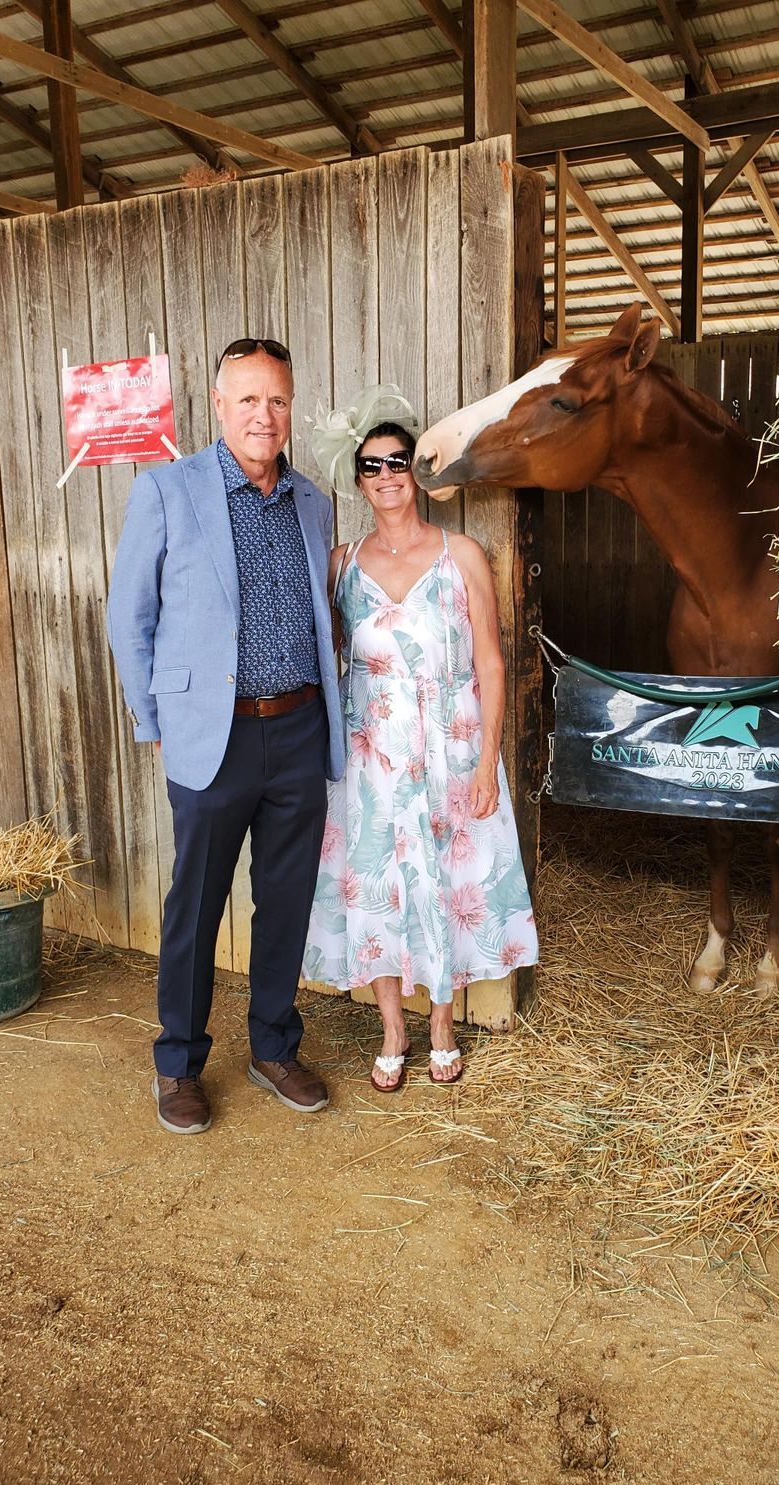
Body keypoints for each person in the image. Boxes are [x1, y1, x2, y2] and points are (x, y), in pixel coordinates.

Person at [107, 338, 345, 1135]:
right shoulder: (168, 492)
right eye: (247, 399)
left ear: (290, 406)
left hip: (299, 728)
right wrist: (157, 720)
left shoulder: (313, 502)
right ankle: (177, 1063)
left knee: (285, 901)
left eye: (275, 399)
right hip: (212, 737)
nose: (263, 415)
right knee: (195, 904)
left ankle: (274, 1047)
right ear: (217, 405)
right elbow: (128, 617)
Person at [303, 386, 538, 1091]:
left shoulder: (461, 554)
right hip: (372, 758)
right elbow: (334, 656)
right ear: (358, 480)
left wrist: (487, 760)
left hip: (451, 747)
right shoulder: (341, 564)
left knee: (443, 882)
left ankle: (440, 1022)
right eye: (371, 467)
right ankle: (392, 1028)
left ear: (415, 469)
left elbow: (492, 662)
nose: (386, 476)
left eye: (397, 461)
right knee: (377, 884)